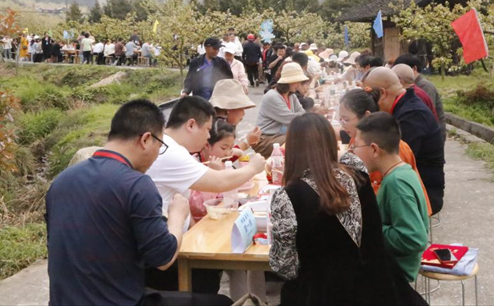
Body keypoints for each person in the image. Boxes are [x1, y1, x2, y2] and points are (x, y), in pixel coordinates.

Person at [45, 99, 232, 306]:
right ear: (145, 139)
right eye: (159, 146)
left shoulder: (61, 181)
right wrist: (177, 216)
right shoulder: (136, 184)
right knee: (222, 302)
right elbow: (163, 258)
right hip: (120, 301)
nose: (156, 156)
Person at [269, 113, 426, 306]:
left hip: (322, 294)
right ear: (331, 142)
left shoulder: (288, 196)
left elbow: (285, 267)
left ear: (292, 149)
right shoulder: (357, 172)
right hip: (379, 286)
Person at [145, 97, 266, 292]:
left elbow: (181, 201)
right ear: (191, 125)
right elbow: (220, 181)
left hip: (171, 242)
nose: (208, 136)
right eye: (208, 129)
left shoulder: (169, 146)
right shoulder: (172, 153)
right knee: (211, 279)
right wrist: (253, 168)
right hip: (163, 254)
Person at [351, 112, 430, 284]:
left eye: (356, 147)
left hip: (393, 272)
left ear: (374, 149)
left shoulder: (397, 183)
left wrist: (368, 227)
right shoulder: (402, 172)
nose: (354, 153)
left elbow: (413, 239)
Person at [363, 68, 444, 215]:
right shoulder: (404, 107)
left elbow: (391, 161)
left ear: (383, 93)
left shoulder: (412, 115)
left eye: (371, 97)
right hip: (405, 186)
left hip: (422, 192)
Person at [338, 89, 428, 206]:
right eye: (340, 120)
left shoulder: (393, 149)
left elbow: (399, 200)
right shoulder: (355, 139)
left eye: (346, 119)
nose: (343, 125)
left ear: (366, 116)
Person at [254, 62, 307, 157]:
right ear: (288, 82)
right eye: (297, 81)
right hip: (265, 139)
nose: (299, 84)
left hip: (279, 136)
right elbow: (291, 119)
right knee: (302, 139)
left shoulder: (292, 96)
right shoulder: (272, 96)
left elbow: (302, 113)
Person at [395, 54, 447, 145]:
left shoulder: (425, 86)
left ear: (414, 68)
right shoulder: (414, 86)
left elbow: (423, 114)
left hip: (432, 136)